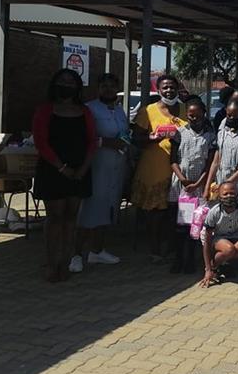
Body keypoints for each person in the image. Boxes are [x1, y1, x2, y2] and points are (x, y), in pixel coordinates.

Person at [33, 69, 97, 282]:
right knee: (55, 216)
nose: (67, 85)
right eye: (63, 81)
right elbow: (41, 142)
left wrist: (83, 168)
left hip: (79, 171)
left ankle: (65, 263)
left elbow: (92, 141)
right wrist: (61, 167)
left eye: (71, 82)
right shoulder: (45, 110)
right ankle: (51, 263)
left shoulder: (84, 112)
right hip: (53, 169)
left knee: (71, 217)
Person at [73, 73, 127, 273]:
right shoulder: (89, 109)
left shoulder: (120, 110)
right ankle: (76, 254)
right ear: (98, 88)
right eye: (104, 86)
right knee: (88, 211)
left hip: (116, 167)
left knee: (107, 209)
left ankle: (97, 250)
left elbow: (124, 134)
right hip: (96, 167)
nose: (108, 89)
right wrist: (106, 142)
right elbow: (82, 137)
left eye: (112, 86)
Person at [130, 74, 187, 261]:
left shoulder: (185, 109)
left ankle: (173, 248)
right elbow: (135, 139)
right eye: (165, 87)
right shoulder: (148, 111)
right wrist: (151, 138)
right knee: (155, 212)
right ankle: (155, 250)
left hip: (180, 168)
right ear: (159, 90)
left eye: (172, 87)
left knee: (176, 211)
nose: (169, 90)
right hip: (154, 167)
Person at [169, 97, 217, 274]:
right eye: (191, 116)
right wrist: (183, 179)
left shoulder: (210, 136)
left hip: (199, 185)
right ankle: (178, 259)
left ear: (204, 114)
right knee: (180, 224)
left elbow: (210, 163)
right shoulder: (179, 133)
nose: (194, 119)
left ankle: (190, 259)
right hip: (181, 185)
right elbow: (173, 160)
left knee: (195, 225)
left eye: (198, 115)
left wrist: (198, 183)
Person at [199, 182, 238, 287]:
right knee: (229, 249)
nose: (229, 196)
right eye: (225, 194)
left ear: (237, 194)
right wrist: (208, 269)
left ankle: (225, 264)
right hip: (216, 237)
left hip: (234, 235)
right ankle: (213, 267)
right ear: (219, 196)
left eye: (232, 193)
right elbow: (207, 241)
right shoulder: (214, 212)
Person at [205, 99, 238, 196]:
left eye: (235, 116)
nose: (231, 118)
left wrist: (226, 184)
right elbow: (215, 162)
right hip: (220, 179)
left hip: (237, 182)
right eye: (229, 115)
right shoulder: (222, 133)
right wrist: (207, 186)